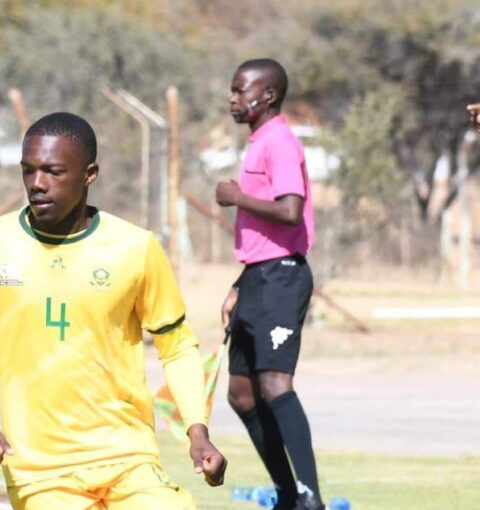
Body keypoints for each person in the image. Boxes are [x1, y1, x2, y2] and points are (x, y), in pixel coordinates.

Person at [0, 112, 227, 510]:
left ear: (89, 173)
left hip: (128, 457)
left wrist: (196, 431)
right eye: (28, 171)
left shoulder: (135, 247)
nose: (37, 184)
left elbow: (177, 347)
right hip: (40, 470)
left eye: (53, 171)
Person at [215, 59, 323, 510]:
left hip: (282, 277)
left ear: (268, 96)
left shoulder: (279, 142)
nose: (233, 98)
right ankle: (285, 494)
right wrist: (239, 283)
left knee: (276, 383)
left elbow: (290, 211)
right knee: (241, 394)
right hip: (257, 276)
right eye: (233, 90)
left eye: (242, 90)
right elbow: (263, 238)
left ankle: (310, 497)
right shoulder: (258, 141)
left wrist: (237, 197)